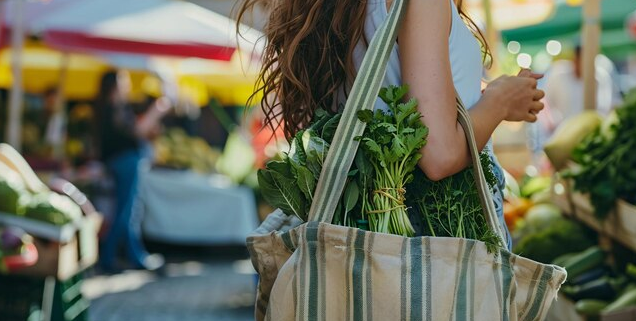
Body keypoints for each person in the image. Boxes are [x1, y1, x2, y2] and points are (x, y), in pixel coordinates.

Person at [238, 0, 546, 247]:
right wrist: (499, 101)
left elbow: (387, 97)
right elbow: (439, 156)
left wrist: (483, 97)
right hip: (434, 237)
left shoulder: (338, 10)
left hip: (366, 234)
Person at [94, 70, 169, 271]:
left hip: (121, 162)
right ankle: (113, 258)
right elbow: (137, 131)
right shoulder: (115, 108)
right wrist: (158, 110)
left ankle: (130, 257)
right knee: (127, 210)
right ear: (114, 87)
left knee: (128, 210)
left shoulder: (108, 109)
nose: (127, 86)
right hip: (125, 162)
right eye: (124, 82)